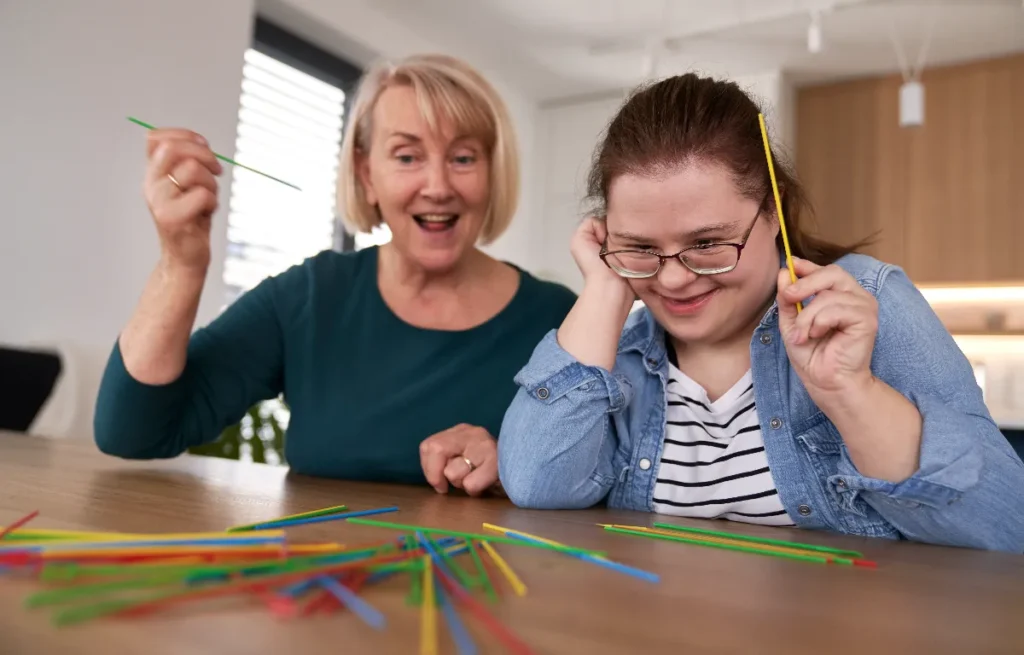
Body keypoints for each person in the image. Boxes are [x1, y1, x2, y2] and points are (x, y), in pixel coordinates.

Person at [497, 73, 1024, 552]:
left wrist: (853, 395)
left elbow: (1006, 526)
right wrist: (606, 291)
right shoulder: (618, 348)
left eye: (707, 242)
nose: (673, 278)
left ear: (773, 211)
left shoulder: (866, 301)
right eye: (639, 246)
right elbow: (536, 486)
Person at [94, 54, 576, 495]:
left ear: (493, 172)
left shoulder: (559, 321)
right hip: (320, 580)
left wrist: (517, 463)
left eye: (463, 158)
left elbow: (617, 483)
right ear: (367, 176)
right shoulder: (309, 296)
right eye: (407, 157)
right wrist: (181, 263)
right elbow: (134, 432)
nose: (437, 186)